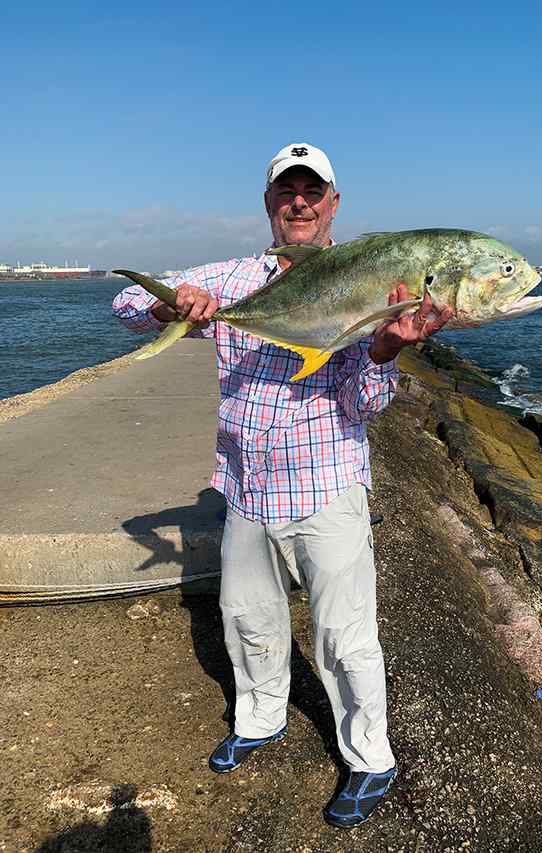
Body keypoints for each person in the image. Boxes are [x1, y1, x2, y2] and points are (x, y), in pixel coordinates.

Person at [113, 143, 453, 828]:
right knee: (248, 619)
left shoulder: (372, 279)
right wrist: (168, 308)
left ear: (334, 203)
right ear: (269, 203)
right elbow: (122, 301)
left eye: (312, 191)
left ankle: (369, 758)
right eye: (286, 191)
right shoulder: (233, 277)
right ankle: (261, 718)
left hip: (326, 485)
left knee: (344, 636)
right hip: (245, 486)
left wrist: (385, 347)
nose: (299, 202)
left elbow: (365, 405)